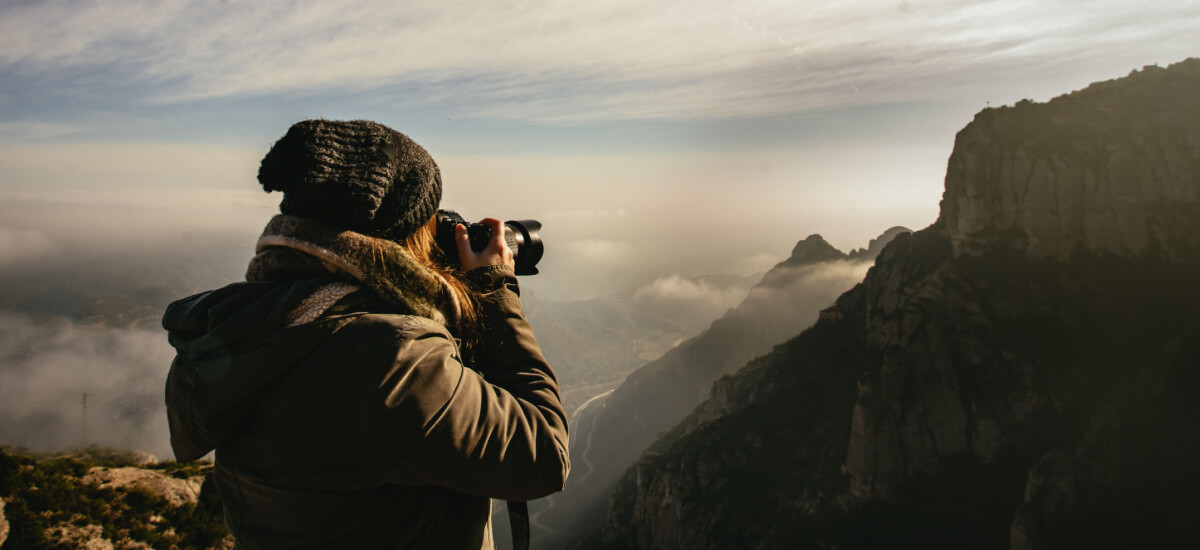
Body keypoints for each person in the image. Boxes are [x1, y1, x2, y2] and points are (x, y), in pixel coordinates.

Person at [163, 119, 569, 549]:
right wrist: (493, 290)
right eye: (428, 220)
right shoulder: (393, 361)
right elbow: (544, 455)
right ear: (405, 236)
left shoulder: (248, 326)